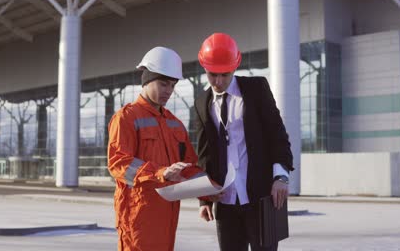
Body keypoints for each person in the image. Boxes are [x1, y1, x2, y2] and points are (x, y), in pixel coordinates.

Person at [194, 33, 294, 251]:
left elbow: (277, 134)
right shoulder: (202, 102)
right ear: (204, 68)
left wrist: (281, 176)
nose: (218, 82)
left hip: (260, 198)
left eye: (225, 75)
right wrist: (204, 199)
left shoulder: (256, 89)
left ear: (235, 66)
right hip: (226, 202)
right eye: (212, 75)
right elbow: (204, 153)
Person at [108, 46, 202, 251]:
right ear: (147, 80)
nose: (168, 91)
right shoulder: (126, 117)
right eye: (163, 84)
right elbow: (119, 163)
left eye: (172, 85)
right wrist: (161, 173)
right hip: (138, 216)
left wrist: (208, 191)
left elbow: (189, 165)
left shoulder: (174, 123)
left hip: (167, 216)